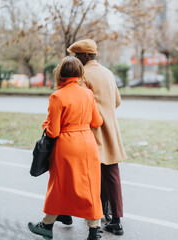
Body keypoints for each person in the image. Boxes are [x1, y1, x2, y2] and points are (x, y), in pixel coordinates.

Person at [28, 56, 104, 240]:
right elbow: (97, 121)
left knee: (59, 186)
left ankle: (47, 225)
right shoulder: (88, 93)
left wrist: (45, 124)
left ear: (61, 72)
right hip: (87, 142)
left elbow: (53, 132)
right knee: (91, 187)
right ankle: (94, 231)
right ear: (80, 73)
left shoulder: (57, 96)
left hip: (67, 145)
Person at [67, 39, 127, 235]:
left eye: (77, 56)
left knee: (91, 174)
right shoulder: (108, 72)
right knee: (112, 174)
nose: (76, 60)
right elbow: (117, 101)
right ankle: (116, 220)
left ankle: (93, 214)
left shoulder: (83, 75)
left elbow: (80, 105)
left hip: (93, 131)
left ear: (85, 56)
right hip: (112, 131)